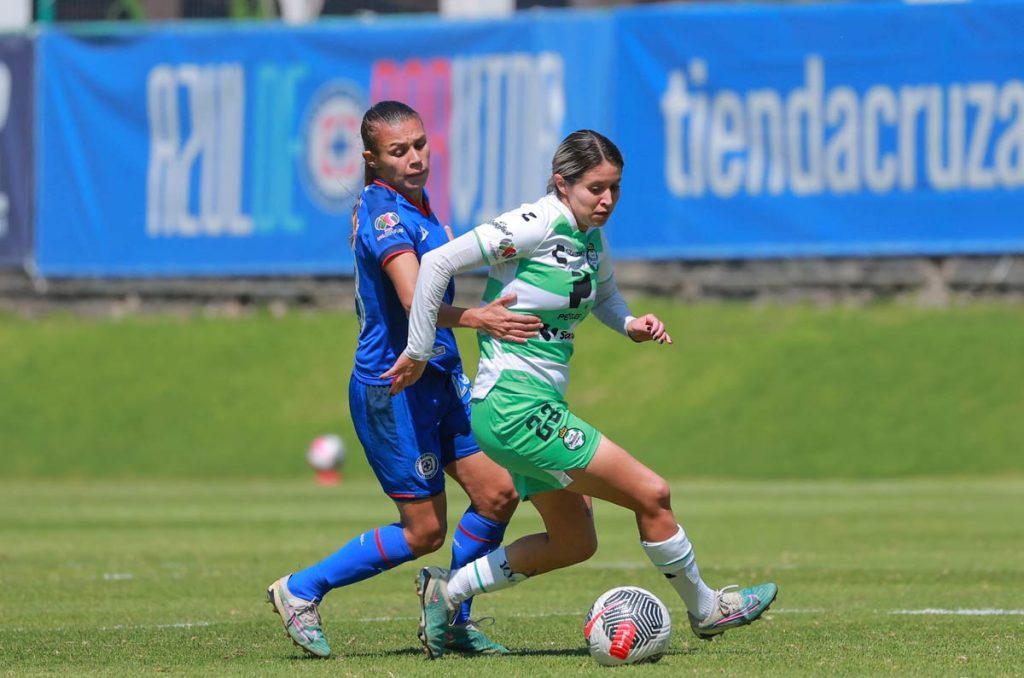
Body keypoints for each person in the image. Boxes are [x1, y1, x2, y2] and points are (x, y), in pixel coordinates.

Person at [383, 129, 778, 658]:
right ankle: (706, 609)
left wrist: (631, 322)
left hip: (531, 409)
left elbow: (605, 295)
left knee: (575, 542)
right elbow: (434, 266)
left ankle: (446, 592)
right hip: (516, 409)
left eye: (615, 188)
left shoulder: (590, 236)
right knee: (653, 494)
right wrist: (419, 349)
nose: (607, 200)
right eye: (596, 188)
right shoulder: (535, 223)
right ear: (562, 183)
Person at [267, 101, 542, 659]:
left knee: (497, 493)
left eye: (419, 144)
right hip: (393, 387)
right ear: (372, 159)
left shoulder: (416, 205)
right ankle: (301, 590)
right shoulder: (385, 217)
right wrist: (480, 318)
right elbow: (415, 298)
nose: (415, 158)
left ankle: (452, 615)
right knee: (423, 532)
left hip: (439, 375)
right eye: (399, 151)